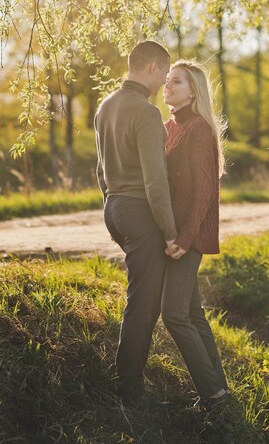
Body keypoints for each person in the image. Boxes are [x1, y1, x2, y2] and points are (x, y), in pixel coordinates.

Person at [94, 40, 177, 406]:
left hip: (114, 206)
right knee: (143, 304)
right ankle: (129, 390)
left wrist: (111, 205)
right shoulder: (145, 113)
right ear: (151, 68)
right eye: (163, 73)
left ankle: (127, 380)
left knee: (139, 299)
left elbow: (100, 169)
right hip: (140, 212)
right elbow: (155, 183)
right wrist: (172, 232)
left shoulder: (105, 106)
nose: (164, 82)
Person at [161, 60, 229, 409]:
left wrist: (184, 239)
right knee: (192, 311)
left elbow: (204, 191)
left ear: (193, 91)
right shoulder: (170, 125)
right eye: (167, 79)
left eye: (176, 81)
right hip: (173, 234)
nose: (167, 85)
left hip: (185, 236)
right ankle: (220, 390)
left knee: (173, 313)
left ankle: (212, 393)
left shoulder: (199, 129)